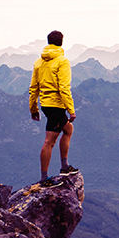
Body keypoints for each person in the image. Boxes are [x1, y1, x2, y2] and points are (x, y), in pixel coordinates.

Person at [29, 30, 78, 187]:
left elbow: (33, 87)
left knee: (68, 129)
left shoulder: (38, 62)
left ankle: (64, 167)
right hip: (56, 106)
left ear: (48, 42)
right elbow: (64, 87)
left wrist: (33, 108)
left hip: (45, 105)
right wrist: (71, 109)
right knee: (49, 141)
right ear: (61, 42)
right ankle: (44, 179)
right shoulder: (62, 61)